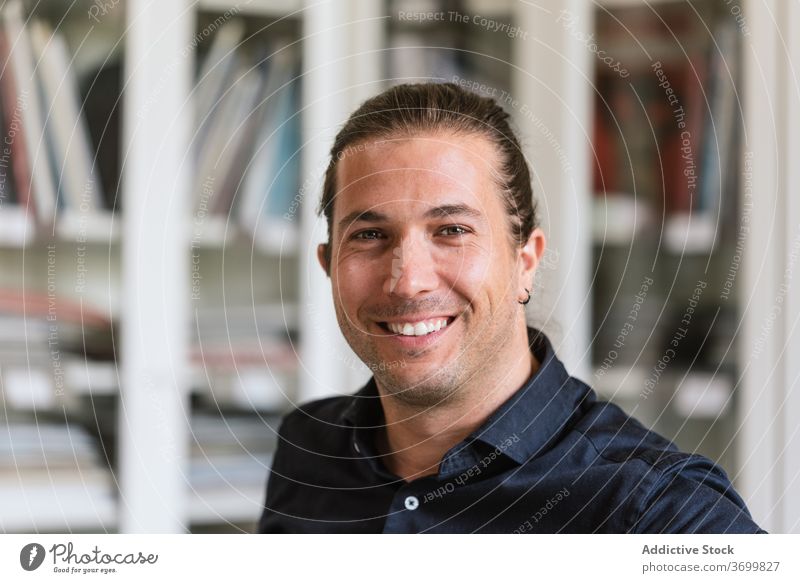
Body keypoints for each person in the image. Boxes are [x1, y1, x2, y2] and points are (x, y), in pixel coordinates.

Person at [258, 82, 764, 533]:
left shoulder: (660, 510)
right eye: (370, 235)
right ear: (327, 265)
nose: (408, 281)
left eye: (452, 231)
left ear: (525, 260)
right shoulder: (308, 445)